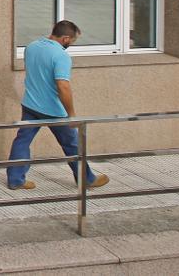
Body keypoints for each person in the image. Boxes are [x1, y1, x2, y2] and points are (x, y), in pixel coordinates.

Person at [6, 20, 110, 191]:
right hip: (53, 110)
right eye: (73, 41)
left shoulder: (31, 47)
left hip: (30, 104)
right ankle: (87, 179)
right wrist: (71, 114)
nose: (71, 44)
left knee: (22, 141)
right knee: (72, 144)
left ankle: (16, 180)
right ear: (66, 38)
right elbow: (63, 86)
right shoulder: (61, 56)